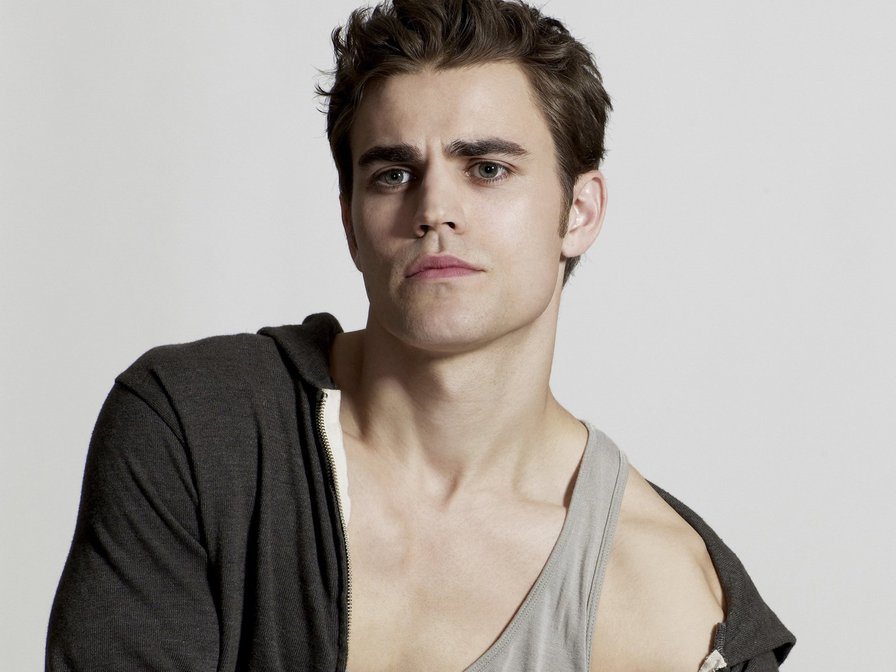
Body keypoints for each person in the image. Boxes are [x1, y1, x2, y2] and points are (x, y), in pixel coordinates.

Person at [46, 0, 795, 670]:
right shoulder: (200, 431)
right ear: (350, 222)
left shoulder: (674, 605)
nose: (435, 207)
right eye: (394, 175)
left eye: (488, 169)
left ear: (579, 211)